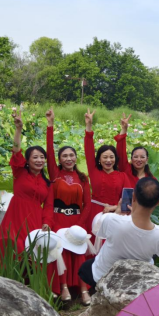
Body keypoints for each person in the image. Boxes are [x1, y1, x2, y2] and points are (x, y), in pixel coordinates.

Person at [0, 110, 57, 293]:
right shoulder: (19, 173)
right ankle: (10, 286)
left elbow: (50, 206)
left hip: (37, 220)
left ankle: (35, 289)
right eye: (35, 157)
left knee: (35, 253)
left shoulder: (48, 182)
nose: (39, 160)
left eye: (42, 157)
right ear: (27, 161)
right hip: (18, 216)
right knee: (17, 247)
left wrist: (47, 222)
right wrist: (18, 129)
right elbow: (15, 151)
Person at [78, 177, 159, 288]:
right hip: (137, 278)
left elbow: (96, 230)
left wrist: (118, 213)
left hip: (104, 276)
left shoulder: (112, 220)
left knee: (84, 268)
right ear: (158, 201)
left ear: (133, 197)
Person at [45, 108, 92, 305]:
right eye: (64, 155)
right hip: (57, 219)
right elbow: (48, 151)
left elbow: (87, 204)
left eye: (71, 155)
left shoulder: (82, 178)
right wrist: (50, 124)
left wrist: (80, 225)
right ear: (59, 159)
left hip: (76, 221)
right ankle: (63, 288)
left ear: (75, 157)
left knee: (79, 254)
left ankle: (83, 291)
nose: (68, 158)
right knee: (60, 253)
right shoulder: (54, 173)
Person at [83, 109, 129, 242]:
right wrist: (88, 125)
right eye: (105, 157)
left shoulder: (122, 176)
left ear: (116, 159)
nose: (108, 160)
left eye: (111, 157)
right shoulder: (94, 171)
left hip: (116, 214)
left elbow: (128, 200)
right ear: (99, 159)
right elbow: (88, 148)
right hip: (94, 213)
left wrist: (114, 208)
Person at [113, 113, 157, 188]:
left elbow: (156, 198)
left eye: (142, 157)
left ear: (147, 160)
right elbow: (120, 152)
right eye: (135, 157)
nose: (139, 159)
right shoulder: (126, 170)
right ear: (131, 159)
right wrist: (124, 129)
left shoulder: (152, 180)